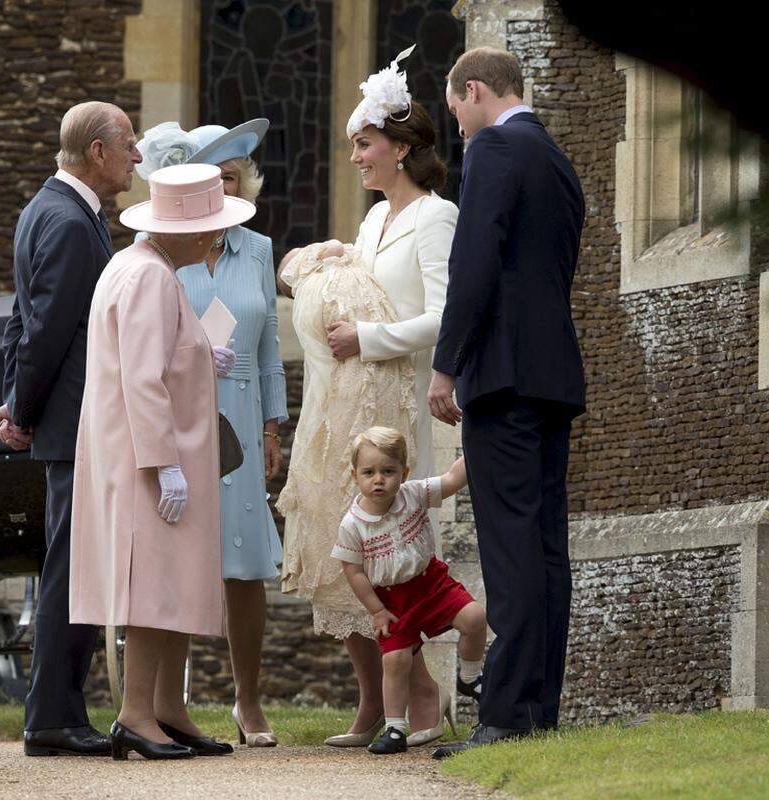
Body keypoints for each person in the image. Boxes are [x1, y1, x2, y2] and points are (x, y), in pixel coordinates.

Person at [278, 45, 460, 749]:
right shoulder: (373, 220)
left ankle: (417, 699)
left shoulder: (436, 218)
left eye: (365, 144)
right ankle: (377, 701)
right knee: (343, 551)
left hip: (397, 409)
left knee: (391, 557)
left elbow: (447, 315)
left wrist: (369, 337)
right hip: (349, 408)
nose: (355, 157)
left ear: (403, 147)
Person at [427, 47, 586, 759]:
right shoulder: (557, 160)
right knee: (547, 544)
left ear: (478, 91)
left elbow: (475, 262)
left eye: (456, 104)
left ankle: (506, 716)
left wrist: (446, 365)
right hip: (553, 374)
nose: (455, 121)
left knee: (511, 545)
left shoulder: (494, 147)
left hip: (502, 374)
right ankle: (539, 704)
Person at [69, 162, 251, 760]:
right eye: (208, 226)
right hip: (151, 458)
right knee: (152, 587)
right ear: (180, 230)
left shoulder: (145, 267)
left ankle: (168, 708)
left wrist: (201, 356)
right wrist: (163, 463)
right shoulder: (148, 275)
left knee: (172, 583)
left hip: (159, 452)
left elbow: (160, 356)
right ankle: (137, 714)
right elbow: (143, 380)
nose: (215, 238)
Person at [0, 100, 141, 757]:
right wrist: (22, 412)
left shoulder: (42, 208)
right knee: (72, 569)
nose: (137, 156)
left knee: (72, 564)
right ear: (97, 153)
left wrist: (16, 403)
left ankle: (58, 712)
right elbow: (45, 330)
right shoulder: (72, 223)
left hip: (61, 417)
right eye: (129, 144)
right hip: (79, 422)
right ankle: (52, 717)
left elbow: (21, 320)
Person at [135, 119, 286, 746]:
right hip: (182, 412)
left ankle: (248, 703)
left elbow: (271, 341)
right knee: (180, 555)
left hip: (245, 414)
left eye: (229, 177)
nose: (219, 188)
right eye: (209, 177)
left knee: (244, 565)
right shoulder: (160, 246)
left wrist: (275, 425)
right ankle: (172, 701)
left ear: (242, 183)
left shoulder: (258, 249)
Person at [331, 428, 486, 756]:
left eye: (388, 472)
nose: (379, 480)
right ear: (354, 475)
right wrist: (376, 610)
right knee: (396, 660)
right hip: (391, 599)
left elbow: (451, 480)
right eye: (369, 472)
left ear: (404, 472)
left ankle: (470, 676)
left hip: (431, 584)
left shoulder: (414, 494)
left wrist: (480, 442)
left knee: (474, 617)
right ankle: (395, 728)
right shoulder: (353, 524)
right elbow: (353, 571)